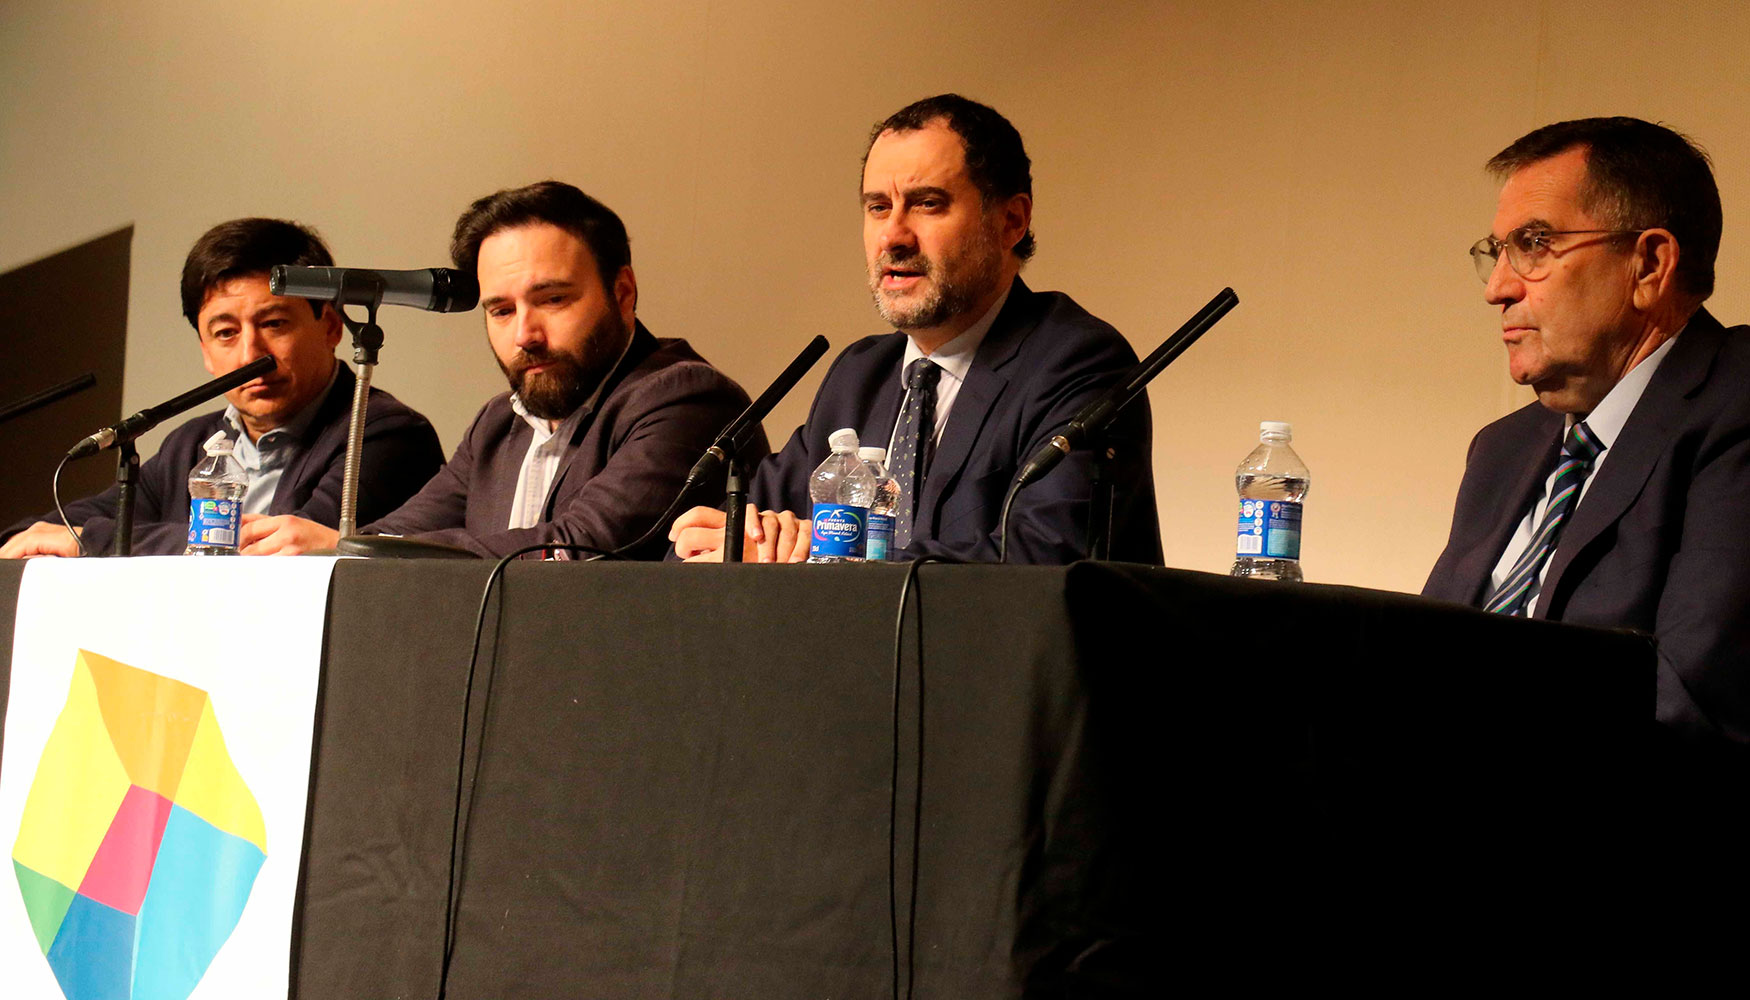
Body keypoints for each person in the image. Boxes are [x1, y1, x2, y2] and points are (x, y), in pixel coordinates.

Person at [671, 94, 1161, 564]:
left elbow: (1042, 562)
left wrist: (815, 558)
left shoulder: (1080, 363)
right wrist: (739, 541)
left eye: (927, 204)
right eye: (878, 207)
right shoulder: (861, 375)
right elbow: (739, 534)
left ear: (1011, 221)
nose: (893, 236)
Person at [1423, 117, 1750, 744]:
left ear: (1649, 264)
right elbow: (1422, 660)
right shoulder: (1503, 449)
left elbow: (1690, 704)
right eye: (1497, 252)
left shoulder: (1740, 406)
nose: (1497, 288)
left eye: (1535, 243)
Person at [240, 181, 762, 560]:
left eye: (553, 299)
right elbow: (401, 535)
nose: (524, 335)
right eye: (501, 310)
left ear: (622, 294)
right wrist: (345, 547)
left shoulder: (687, 399)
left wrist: (345, 547)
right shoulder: (497, 424)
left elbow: (579, 546)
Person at [0, 218, 444, 558]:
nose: (251, 354)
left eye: (273, 324)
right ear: (205, 351)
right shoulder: (193, 442)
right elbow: (79, 520)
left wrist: (89, 543)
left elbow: (275, 552)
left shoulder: (387, 434)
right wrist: (23, 539)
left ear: (329, 327)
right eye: (226, 333)